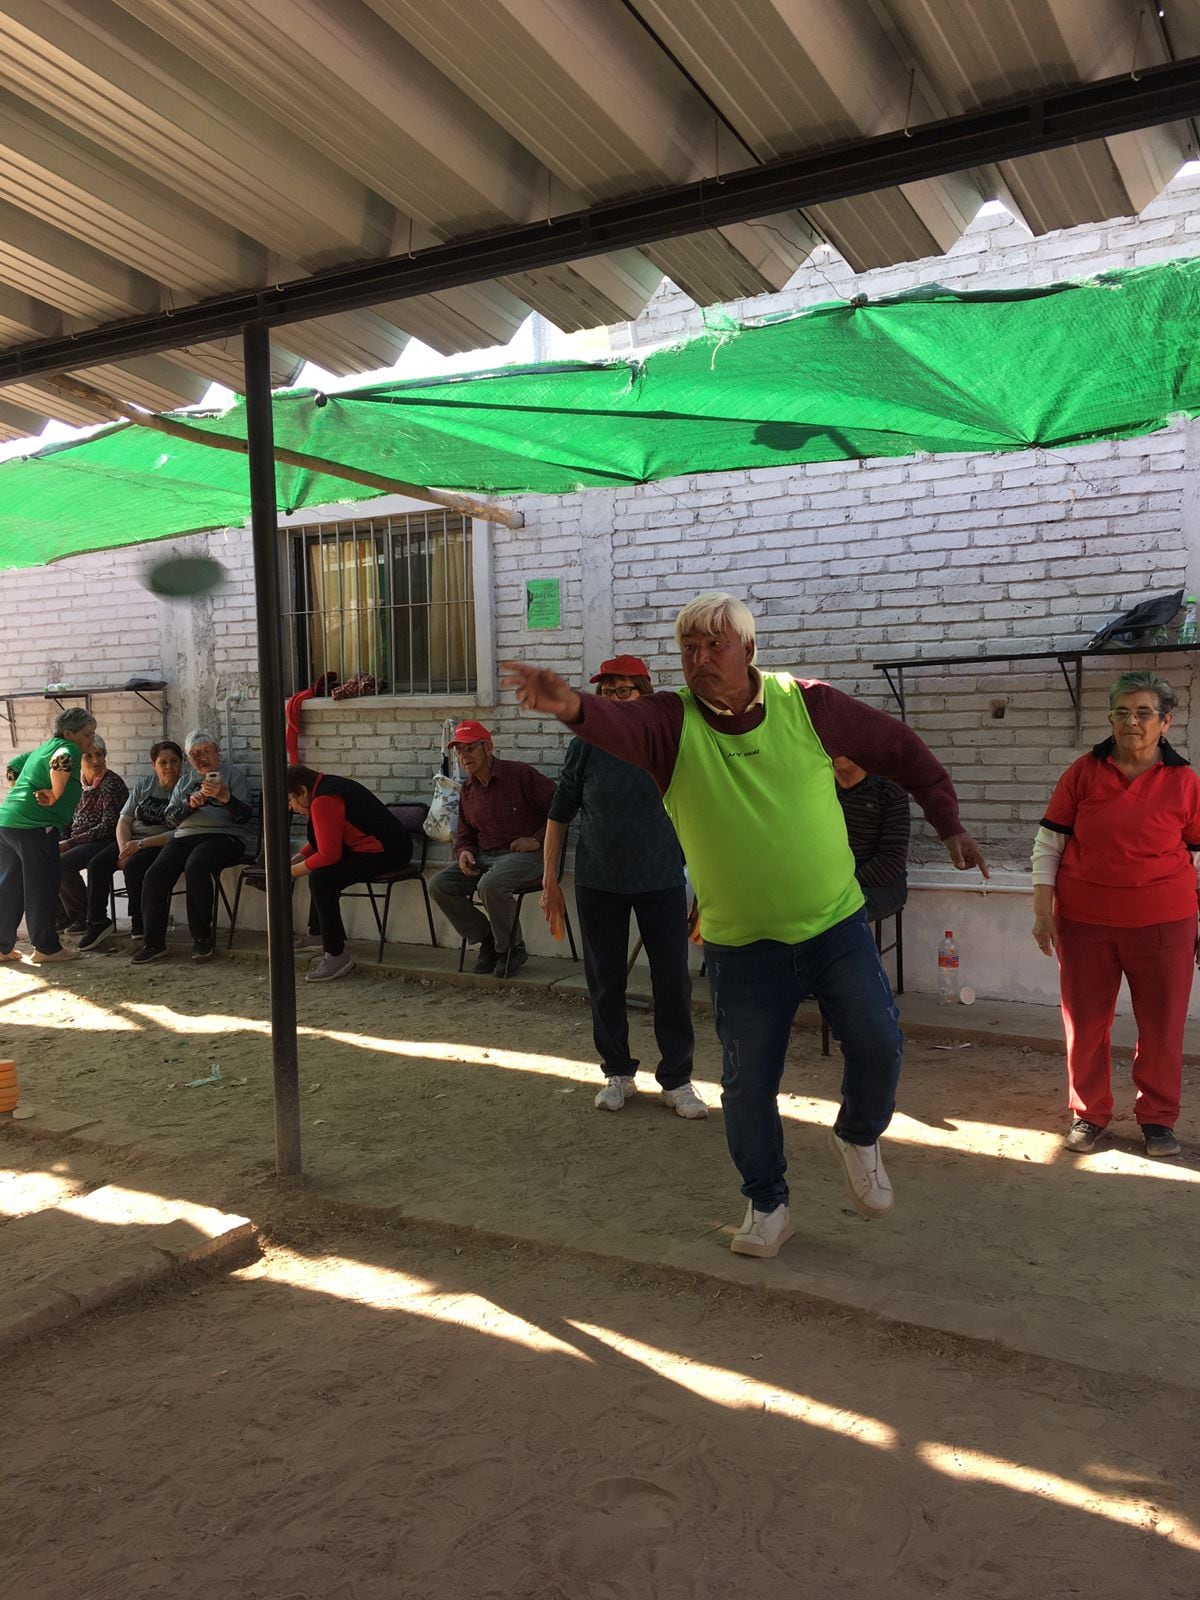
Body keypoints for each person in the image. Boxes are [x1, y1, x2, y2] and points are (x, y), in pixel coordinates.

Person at [503, 592, 988, 1260]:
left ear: (750, 650)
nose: (700, 660)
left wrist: (949, 820)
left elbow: (900, 749)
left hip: (833, 924)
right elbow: (618, 726)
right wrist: (571, 707)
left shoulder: (810, 704)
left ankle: (857, 1133)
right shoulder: (670, 722)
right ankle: (767, 1203)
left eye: (714, 646)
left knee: (878, 1042)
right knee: (748, 1084)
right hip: (740, 944)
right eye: (689, 649)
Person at [1032, 671, 1200, 1159]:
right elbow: (1049, 843)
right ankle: (1090, 1113)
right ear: (1110, 718)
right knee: (1084, 1023)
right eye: (1121, 712)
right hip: (1085, 921)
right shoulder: (1083, 773)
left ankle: (1157, 1120)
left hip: (1165, 923)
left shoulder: (1185, 782)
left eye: (1144, 712)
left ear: (1165, 722)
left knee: (1163, 1026)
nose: (1132, 721)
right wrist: (1043, 911)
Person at [542, 654, 703, 1119]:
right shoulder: (586, 745)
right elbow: (558, 815)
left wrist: (706, 890)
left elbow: (699, 816)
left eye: (624, 691)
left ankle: (677, 1079)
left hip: (661, 879)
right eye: (606, 692)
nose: (613, 700)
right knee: (605, 981)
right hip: (600, 881)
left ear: (645, 694)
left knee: (672, 979)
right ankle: (617, 1071)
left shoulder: (669, 743)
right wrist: (550, 882)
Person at [429, 720, 555, 979]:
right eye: (459, 751)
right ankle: (487, 939)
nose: (464, 756)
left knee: (491, 885)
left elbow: (561, 807)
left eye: (470, 748)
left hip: (527, 856)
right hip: (486, 856)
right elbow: (465, 834)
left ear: (488, 748)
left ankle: (512, 948)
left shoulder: (519, 774)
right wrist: (464, 852)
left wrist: (538, 840)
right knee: (439, 884)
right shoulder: (468, 790)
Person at [133, 730, 254, 965]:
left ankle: (201, 938)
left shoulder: (232, 776)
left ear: (217, 752)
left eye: (206, 752)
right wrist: (189, 805)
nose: (200, 759)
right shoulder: (186, 781)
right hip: (185, 835)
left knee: (196, 866)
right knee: (155, 873)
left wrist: (226, 798)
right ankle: (153, 943)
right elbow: (169, 819)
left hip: (224, 837)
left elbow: (244, 818)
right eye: (194, 755)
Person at [287, 764, 414, 983]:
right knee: (321, 873)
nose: (290, 807)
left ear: (303, 791)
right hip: (376, 848)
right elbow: (325, 837)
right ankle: (318, 934)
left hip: (389, 852)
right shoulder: (325, 788)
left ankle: (336, 955)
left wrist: (289, 873)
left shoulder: (324, 799)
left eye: (290, 799)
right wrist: (299, 858)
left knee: (322, 877)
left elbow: (328, 855)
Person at [0, 707, 99, 965]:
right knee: (42, 886)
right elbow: (62, 761)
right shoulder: (68, 749)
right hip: (35, 827)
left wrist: (21, 794)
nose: (91, 739)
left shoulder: (42, 749)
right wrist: (55, 794)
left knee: (11, 886)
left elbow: (13, 766)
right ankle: (46, 948)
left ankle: (1, 947)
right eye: (87, 734)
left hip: (7, 823)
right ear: (69, 733)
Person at [76, 740, 184, 951]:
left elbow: (179, 832)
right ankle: (97, 922)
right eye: (163, 762)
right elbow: (124, 820)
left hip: (159, 842)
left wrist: (139, 845)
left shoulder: (184, 788)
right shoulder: (145, 785)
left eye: (174, 761)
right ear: (154, 764)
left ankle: (139, 920)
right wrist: (125, 847)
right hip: (130, 839)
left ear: (182, 763)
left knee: (135, 865)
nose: (169, 766)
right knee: (97, 864)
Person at [56, 735, 129, 933]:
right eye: (89, 756)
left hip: (104, 841)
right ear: (79, 759)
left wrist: (69, 843)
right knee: (44, 856)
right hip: (80, 840)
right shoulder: (75, 784)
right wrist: (62, 839)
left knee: (62, 864)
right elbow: (68, 819)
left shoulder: (111, 783)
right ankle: (61, 917)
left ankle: (84, 916)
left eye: (100, 755)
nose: (96, 760)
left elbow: (108, 826)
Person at [832, 757, 910, 921]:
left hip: (879, 884)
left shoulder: (889, 789)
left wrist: (843, 884)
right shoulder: (821, 786)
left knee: (838, 917)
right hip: (830, 882)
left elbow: (891, 860)